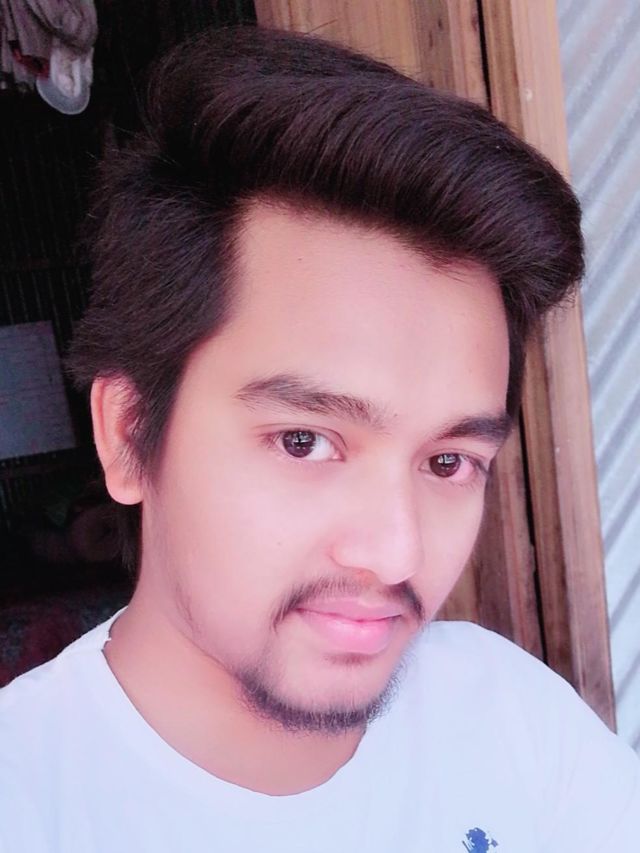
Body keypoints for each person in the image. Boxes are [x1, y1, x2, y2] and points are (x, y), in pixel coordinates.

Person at [0, 25, 638, 853]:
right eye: (304, 441)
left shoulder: (511, 716)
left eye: (449, 462)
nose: (396, 552)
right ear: (129, 435)